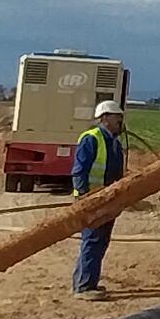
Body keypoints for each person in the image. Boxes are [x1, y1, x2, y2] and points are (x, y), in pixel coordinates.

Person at [68, 99, 125, 297]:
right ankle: (84, 286)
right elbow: (79, 171)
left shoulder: (114, 142)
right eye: (117, 117)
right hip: (94, 201)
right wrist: (83, 197)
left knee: (100, 242)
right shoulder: (91, 138)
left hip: (108, 201)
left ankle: (88, 282)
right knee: (92, 240)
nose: (120, 121)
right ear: (105, 118)